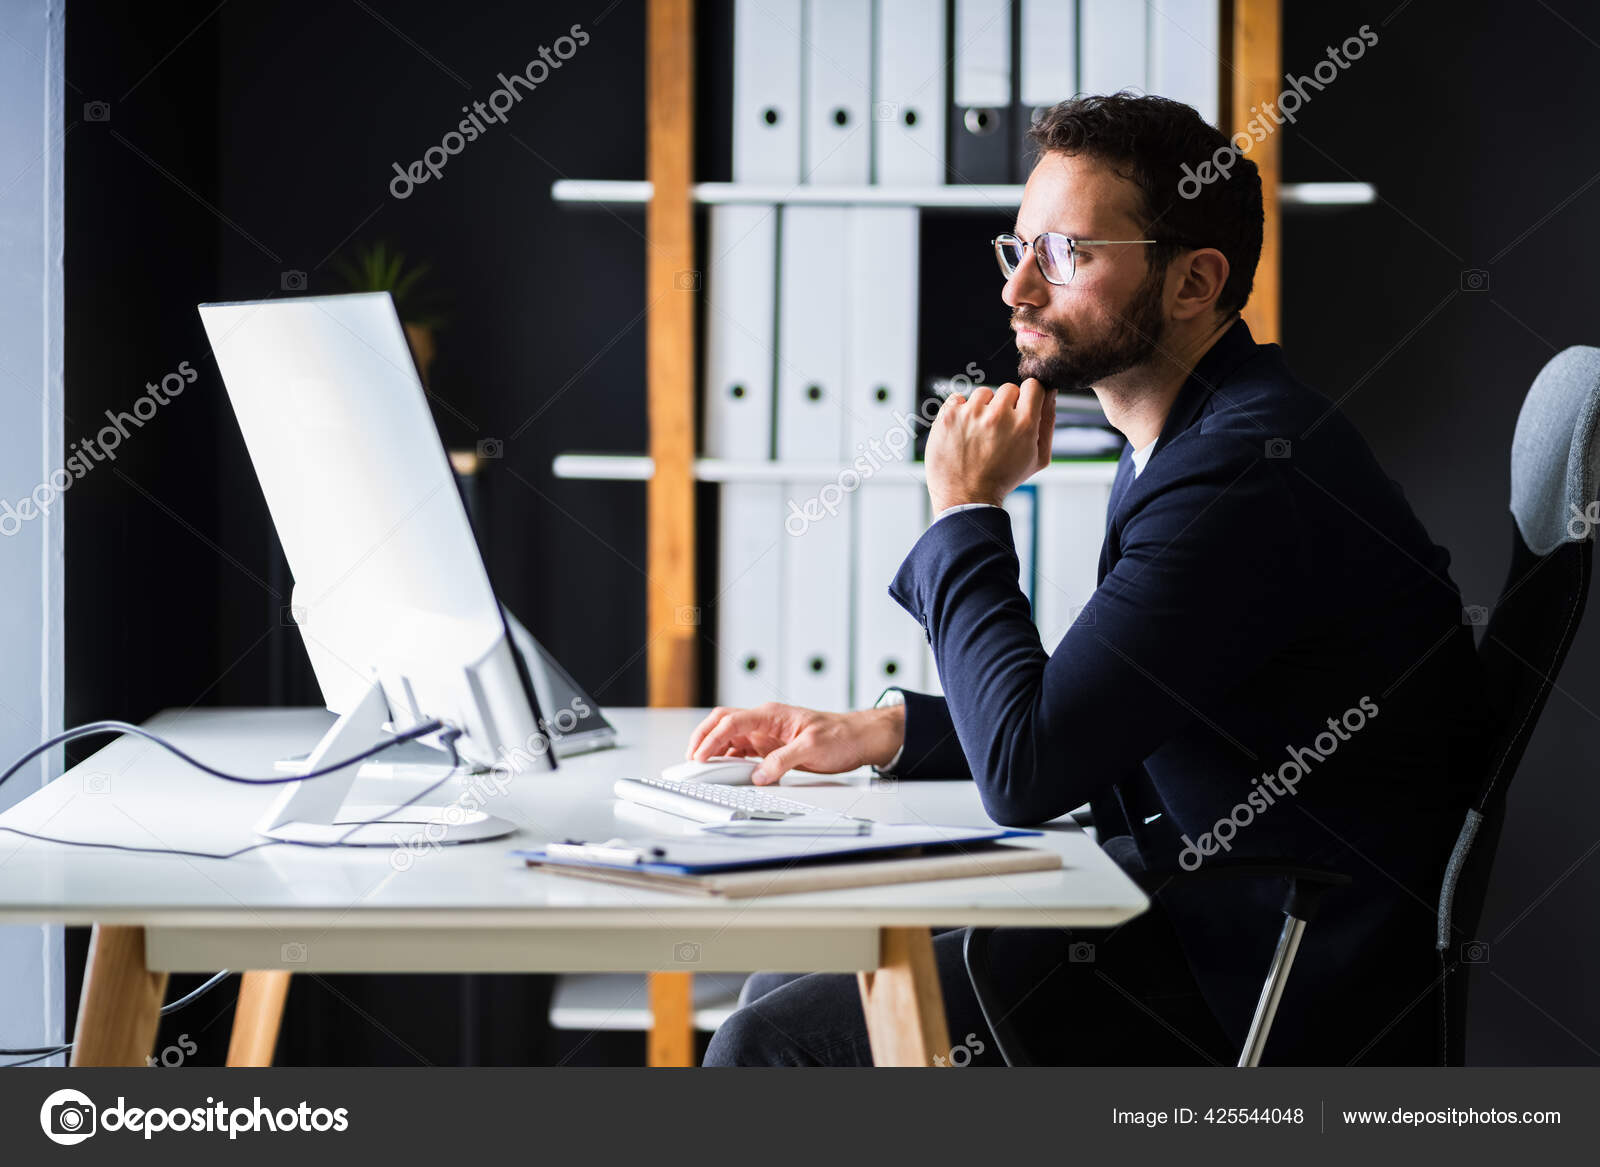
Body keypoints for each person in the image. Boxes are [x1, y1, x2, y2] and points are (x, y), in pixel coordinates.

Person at [695, 93, 1490, 1067]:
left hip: (1260, 966)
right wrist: (893, 730)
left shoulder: (1239, 471)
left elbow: (1031, 773)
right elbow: (1106, 720)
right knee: (791, 984)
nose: (1016, 290)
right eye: (1016, 248)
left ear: (1193, 281)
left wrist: (966, 511)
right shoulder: (1190, 433)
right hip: (1204, 904)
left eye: (1065, 254)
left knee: (768, 1046)